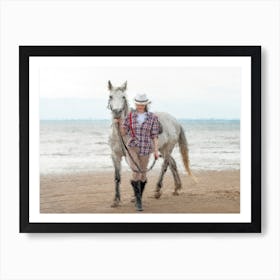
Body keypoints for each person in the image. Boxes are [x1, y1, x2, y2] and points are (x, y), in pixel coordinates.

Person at [115, 93, 160, 211]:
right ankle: (138, 201)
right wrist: (119, 124)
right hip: (133, 147)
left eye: (142, 104)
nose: (140, 106)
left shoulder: (153, 117)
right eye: (138, 104)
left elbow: (155, 136)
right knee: (136, 170)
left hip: (146, 148)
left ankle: (138, 195)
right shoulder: (130, 116)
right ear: (135, 104)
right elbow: (124, 133)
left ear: (146, 104)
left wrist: (156, 151)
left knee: (143, 174)